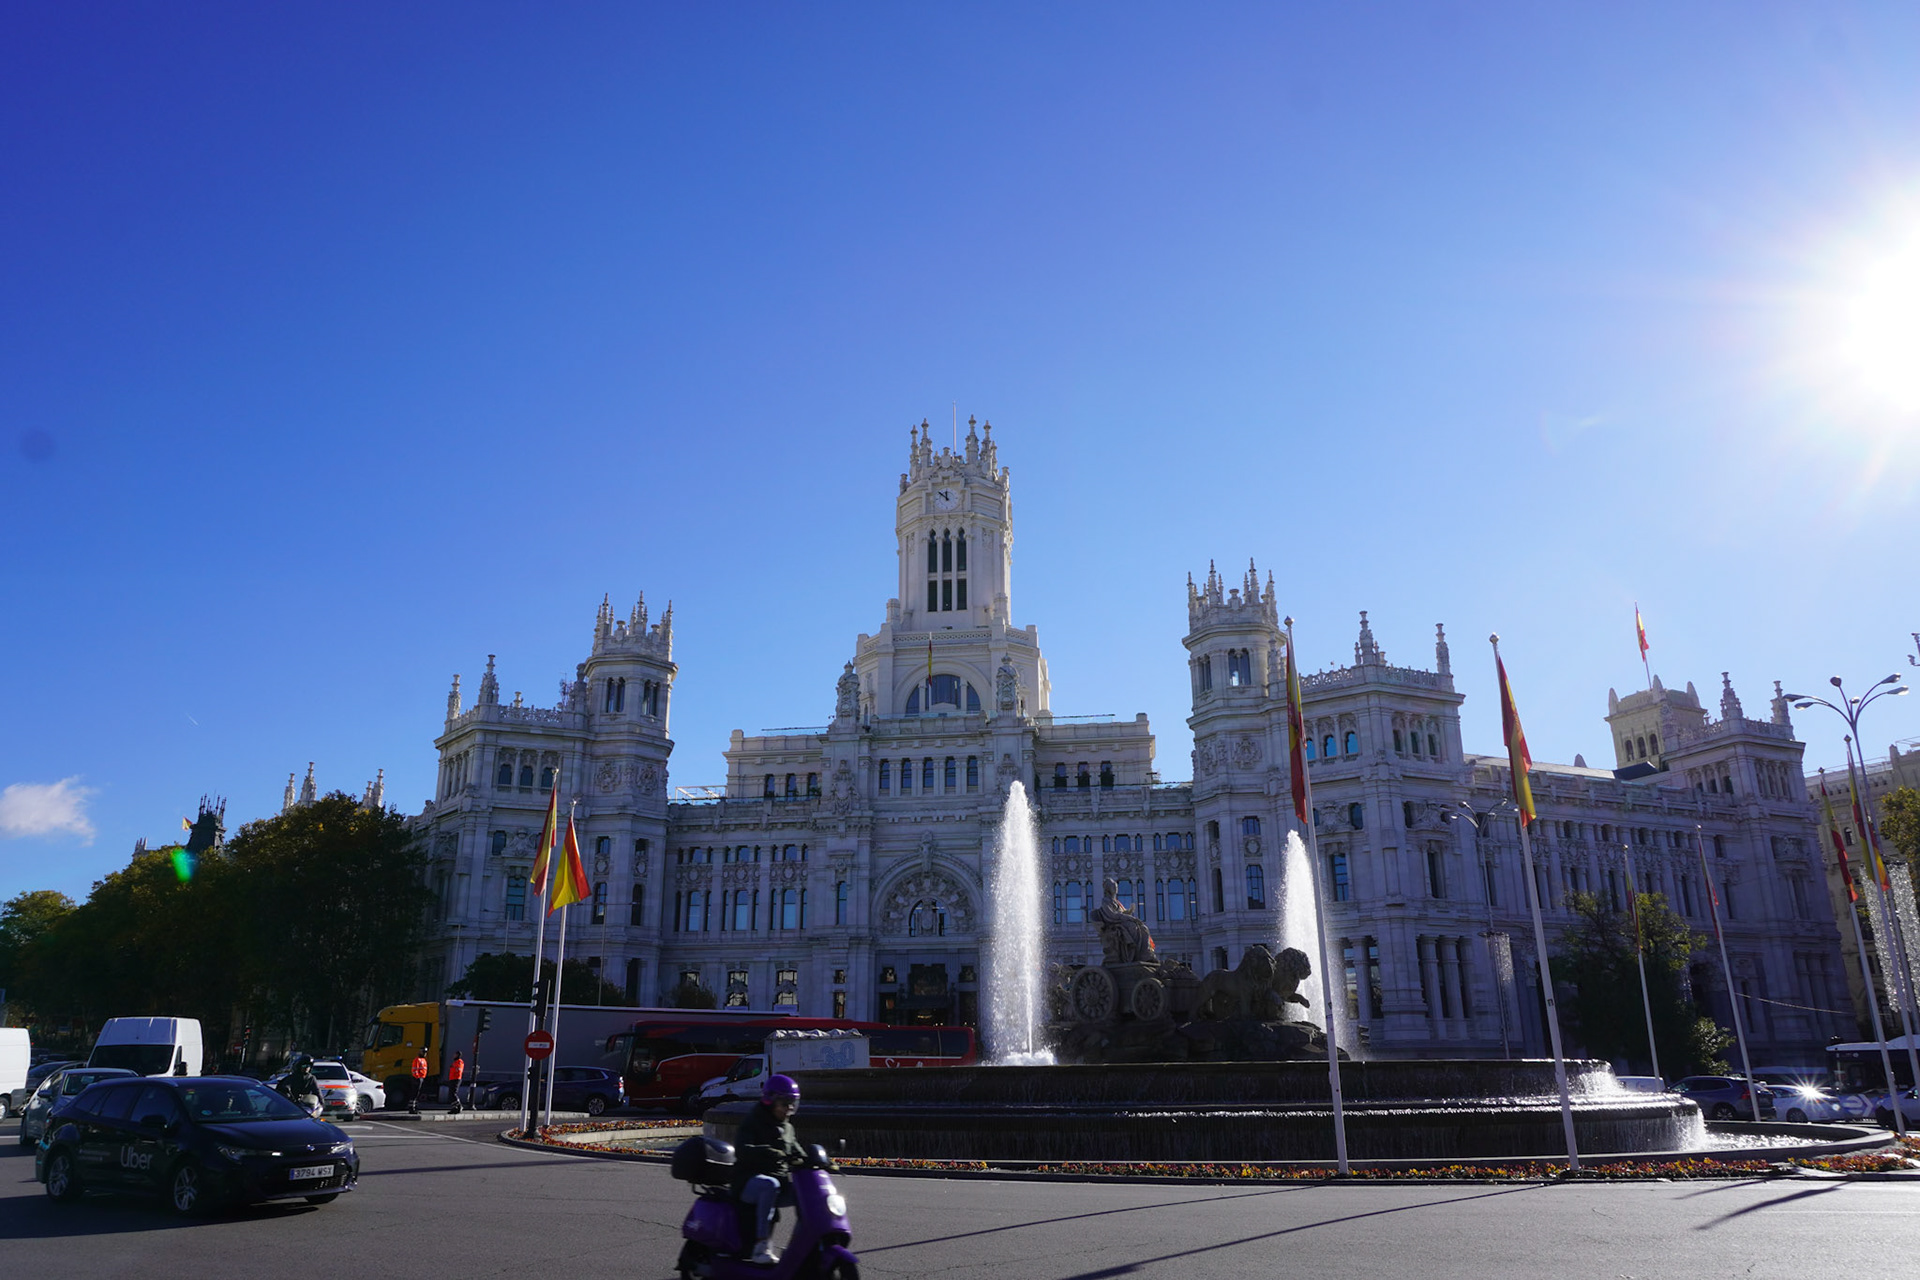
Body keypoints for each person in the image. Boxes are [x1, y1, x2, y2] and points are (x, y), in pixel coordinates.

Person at [730, 1074, 808, 1266]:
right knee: (769, 1185)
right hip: (748, 1181)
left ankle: (803, 1245)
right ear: (769, 1100)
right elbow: (742, 1149)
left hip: (779, 1181)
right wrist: (768, 1152)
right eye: (785, 1103)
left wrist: (818, 1160)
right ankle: (760, 1247)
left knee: (806, 1194)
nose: (789, 1108)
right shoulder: (753, 1121)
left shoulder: (787, 1127)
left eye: (793, 1103)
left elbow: (798, 1151)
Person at [409, 1048, 430, 1114]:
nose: (425, 1054)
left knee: (418, 1094)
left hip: (421, 1078)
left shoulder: (424, 1060)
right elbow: (414, 1070)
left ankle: (415, 1107)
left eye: (425, 1052)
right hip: (417, 1078)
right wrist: (417, 1077)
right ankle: (412, 1108)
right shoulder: (417, 1060)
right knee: (414, 1094)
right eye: (424, 1052)